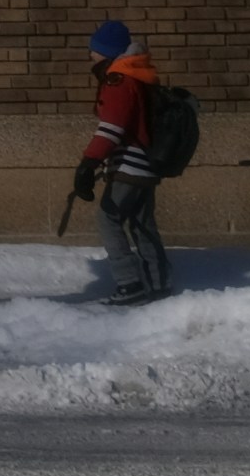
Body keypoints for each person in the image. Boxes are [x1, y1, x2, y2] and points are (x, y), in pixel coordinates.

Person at [71, 20, 173, 305]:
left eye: (94, 50)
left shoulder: (118, 80)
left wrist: (88, 163)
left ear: (107, 51)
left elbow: (111, 129)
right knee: (142, 222)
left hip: (129, 164)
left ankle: (130, 284)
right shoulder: (137, 77)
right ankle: (159, 281)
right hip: (146, 163)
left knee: (108, 218)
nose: (91, 55)